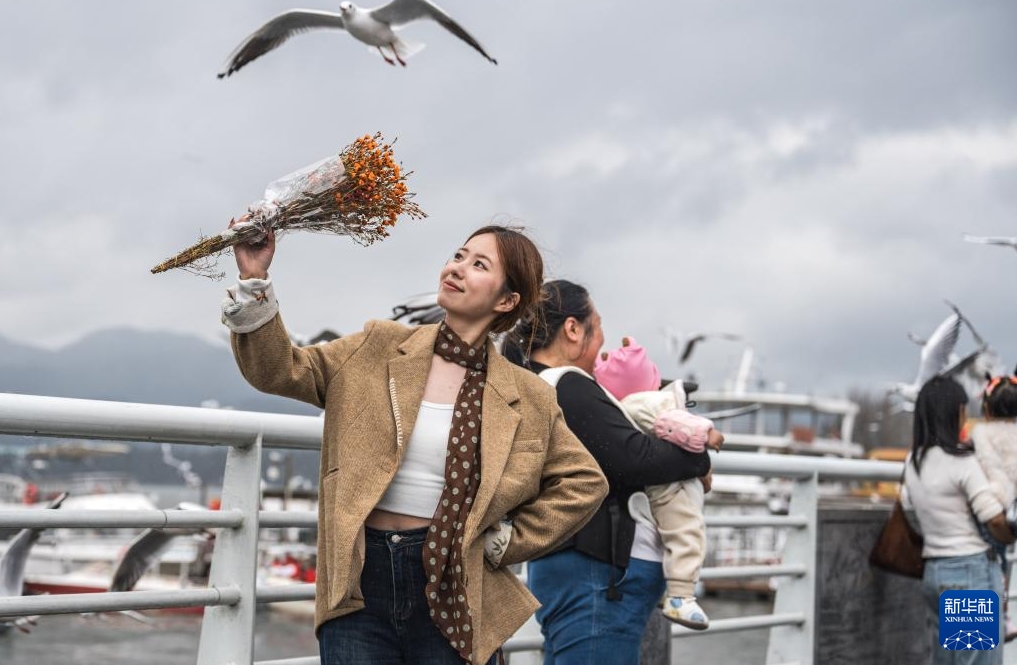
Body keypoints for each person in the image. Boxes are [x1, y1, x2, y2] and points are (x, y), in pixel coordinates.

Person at [221, 224, 609, 665]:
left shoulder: (528, 395)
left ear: (506, 300)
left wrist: (509, 541)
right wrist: (255, 279)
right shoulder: (378, 346)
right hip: (359, 582)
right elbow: (280, 371)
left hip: (455, 585)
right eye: (459, 255)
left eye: (478, 265)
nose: (457, 268)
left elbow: (584, 481)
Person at [503, 280, 713, 665]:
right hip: (596, 576)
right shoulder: (566, 386)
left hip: (572, 567)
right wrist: (700, 460)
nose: (602, 343)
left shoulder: (530, 384)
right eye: (597, 327)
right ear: (572, 328)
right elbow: (634, 458)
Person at [593, 336, 723, 630]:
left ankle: (674, 593)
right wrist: (708, 434)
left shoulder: (628, 406)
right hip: (671, 492)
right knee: (687, 535)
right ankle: (681, 597)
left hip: (662, 488)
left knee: (673, 538)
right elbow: (676, 425)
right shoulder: (650, 403)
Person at [900, 376, 1016, 664]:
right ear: (952, 412)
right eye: (963, 410)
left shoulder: (913, 462)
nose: (967, 417)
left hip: (936, 573)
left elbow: (907, 503)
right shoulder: (963, 462)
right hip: (970, 575)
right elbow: (994, 520)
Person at [971, 373, 1017, 639]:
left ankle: (1001, 619)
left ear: (986, 409)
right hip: (1008, 525)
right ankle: (1005, 616)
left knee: (967, 647)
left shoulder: (979, 439)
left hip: (969, 557)